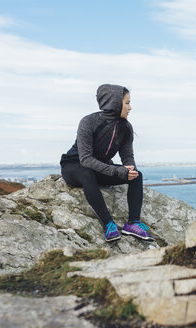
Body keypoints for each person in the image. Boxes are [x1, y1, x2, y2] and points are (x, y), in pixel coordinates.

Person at [60, 84, 153, 242]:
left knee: (137, 176)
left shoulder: (125, 127)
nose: (130, 108)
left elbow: (127, 155)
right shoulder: (89, 122)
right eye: (127, 103)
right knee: (86, 173)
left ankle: (133, 224)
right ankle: (108, 224)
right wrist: (117, 171)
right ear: (114, 103)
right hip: (74, 166)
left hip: (100, 168)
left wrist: (130, 170)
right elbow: (86, 159)